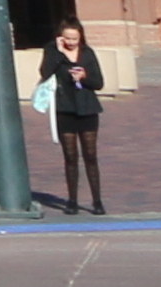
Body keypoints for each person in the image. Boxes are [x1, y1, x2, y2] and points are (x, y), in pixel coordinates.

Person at [40, 23, 108, 215]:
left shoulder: (87, 53)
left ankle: (97, 201)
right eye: (67, 38)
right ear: (60, 37)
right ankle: (72, 201)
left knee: (90, 156)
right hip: (64, 109)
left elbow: (99, 83)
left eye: (74, 39)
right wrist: (59, 52)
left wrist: (85, 76)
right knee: (70, 157)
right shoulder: (52, 51)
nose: (70, 42)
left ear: (81, 38)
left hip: (87, 109)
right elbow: (45, 73)